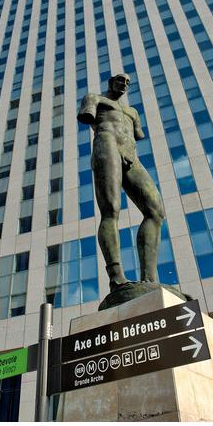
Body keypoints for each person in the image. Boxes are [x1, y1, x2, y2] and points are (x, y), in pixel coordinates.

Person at [77, 73, 165, 292]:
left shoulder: (133, 112)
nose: (124, 83)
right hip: (106, 144)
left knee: (155, 211)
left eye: (127, 82)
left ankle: (149, 279)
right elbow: (87, 116)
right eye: (120, 79)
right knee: (111, 210)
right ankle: (116, 276)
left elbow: (137, 135)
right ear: (110, 82)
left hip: (131, 154)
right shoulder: (95, 98)